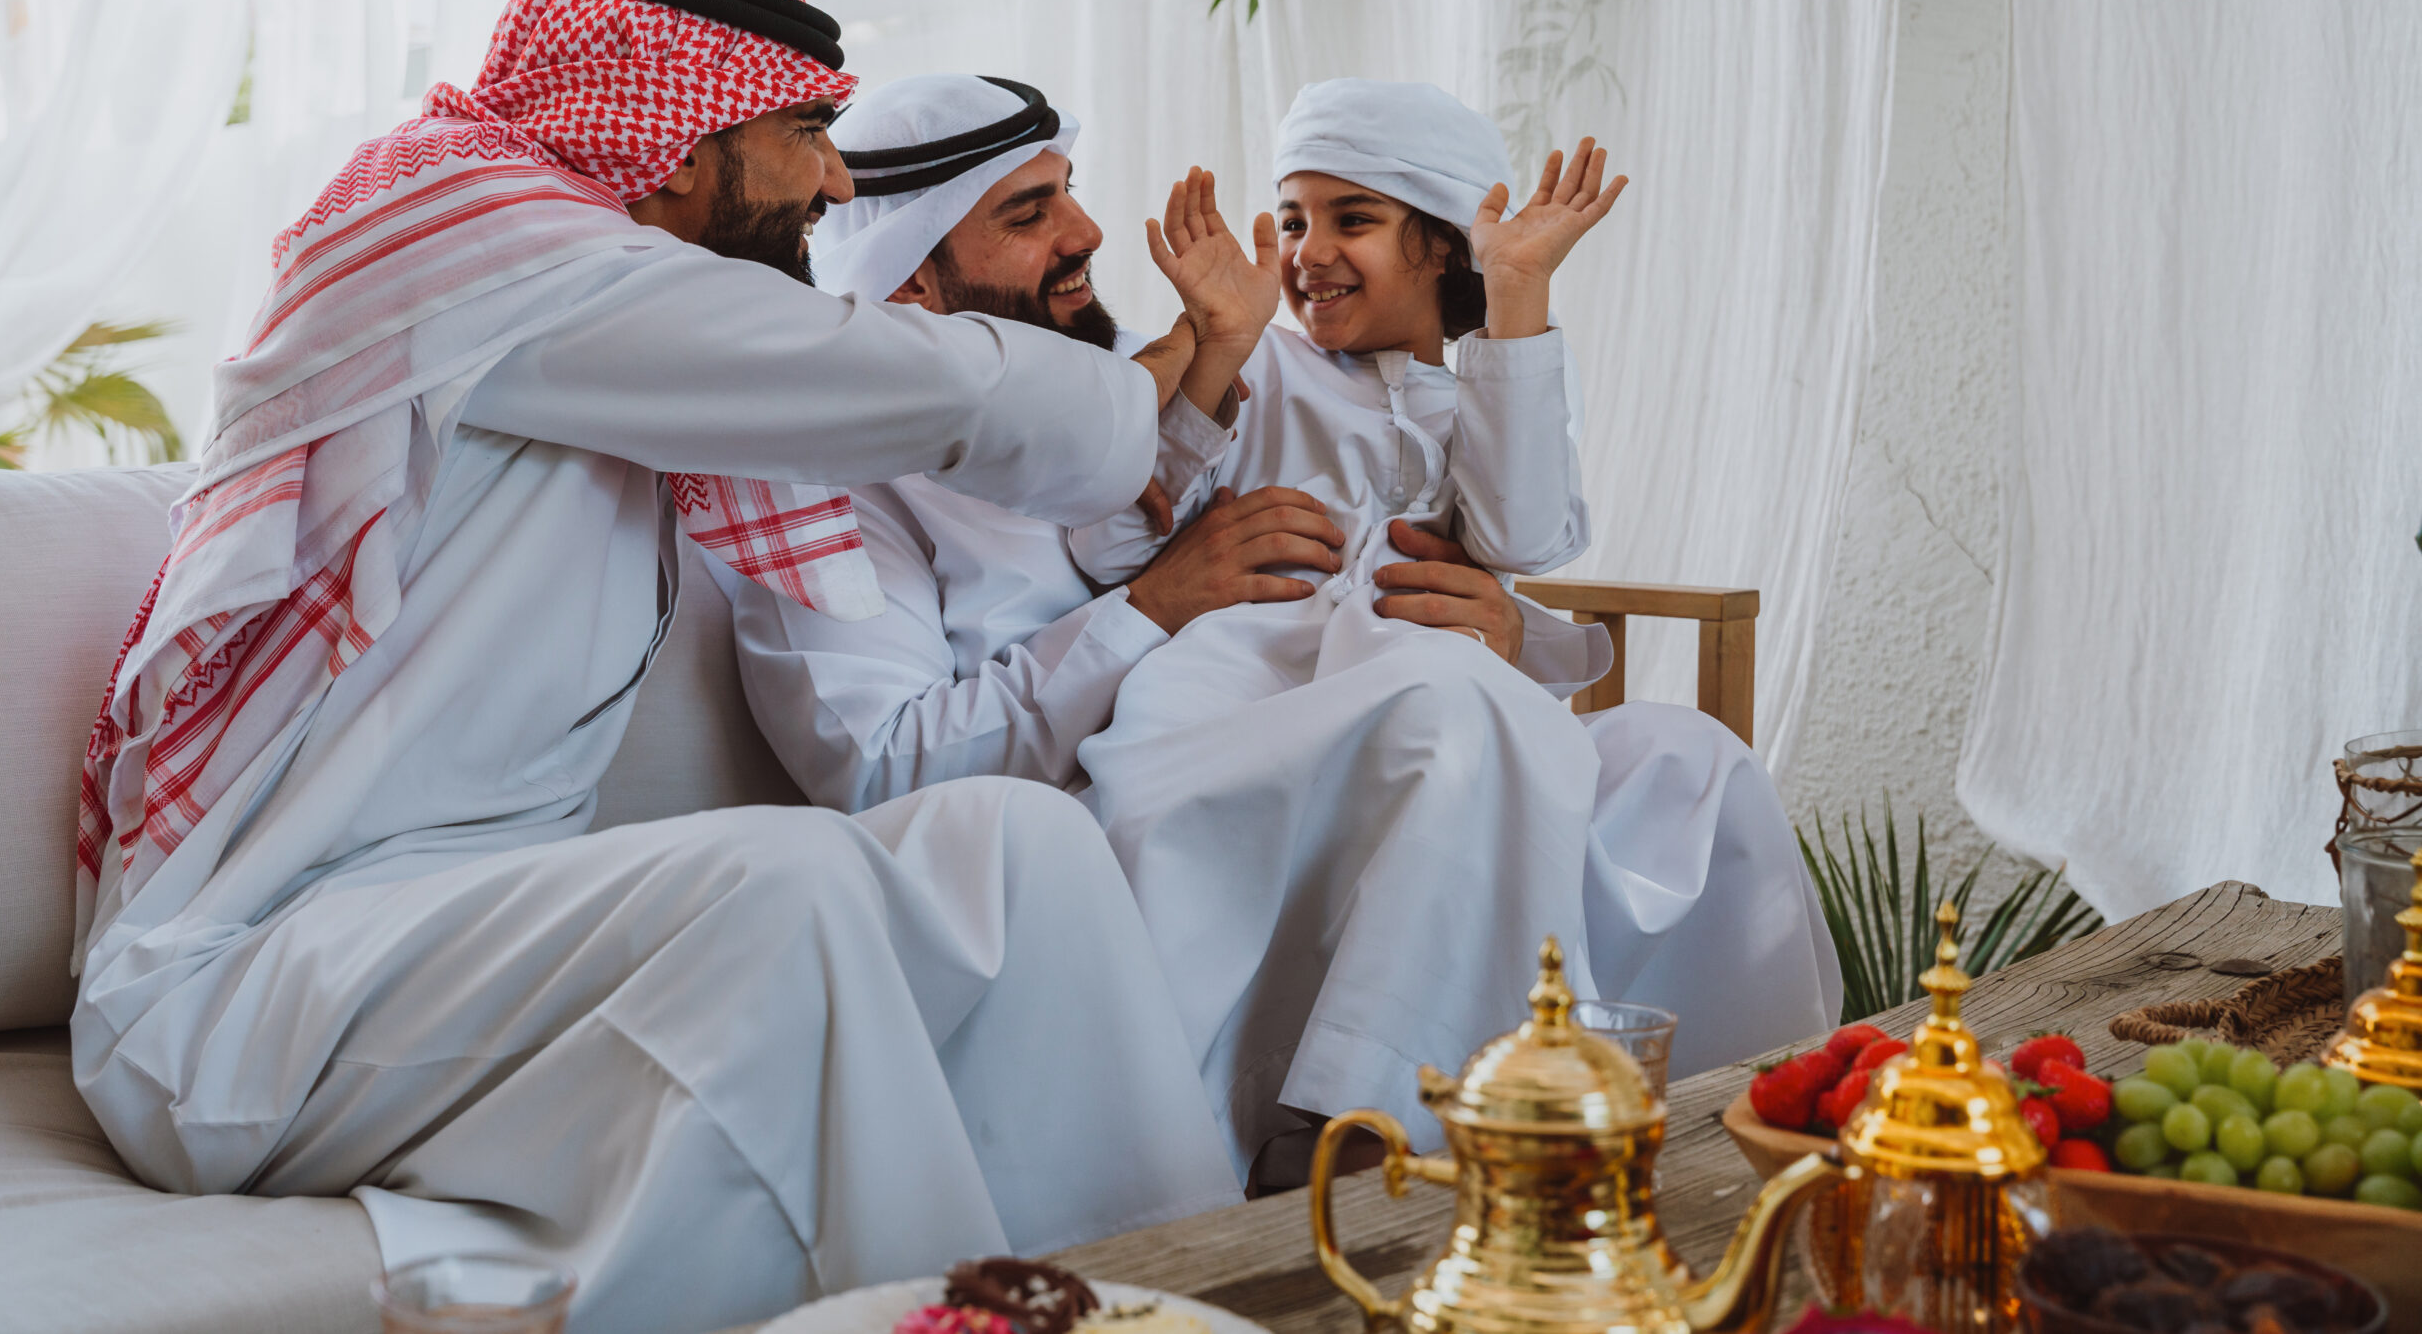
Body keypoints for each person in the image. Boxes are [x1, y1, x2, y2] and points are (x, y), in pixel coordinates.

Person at [69, 0, 1239, 1334]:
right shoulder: (477, 246)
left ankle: (1165, 1303)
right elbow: (898, 382)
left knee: (1018, 844)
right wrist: (1170, 367)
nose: (836, 179)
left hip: (453, 926)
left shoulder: (573, 284)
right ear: (680, 146)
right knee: (785, 887)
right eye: (805, 130)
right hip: (243, 980)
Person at [734, 73, 1837, 1182]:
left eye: (1069, 192)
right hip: (1143, 761)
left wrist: (1495, 622)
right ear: (912, 269)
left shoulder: (1087, 380)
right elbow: (903, 749)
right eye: (1031, 214)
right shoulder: (830, 479)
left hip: (1328, 706)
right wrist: (1158, 598)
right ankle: (1398, 1145)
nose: (1088, 234)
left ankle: (1733, 1138)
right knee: (1441, 709)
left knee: (1687, 762)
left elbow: (1510, 527)